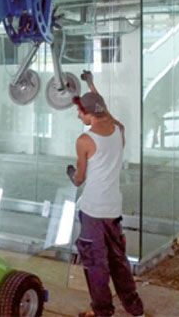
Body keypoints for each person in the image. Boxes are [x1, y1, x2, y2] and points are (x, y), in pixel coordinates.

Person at [66, 71, 145, 317]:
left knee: (95, 265)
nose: (79, 115)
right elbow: (103, 108)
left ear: (90, 113)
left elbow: (80, 178)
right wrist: (90, 84)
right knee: (118, 261)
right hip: (113, 209)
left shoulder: (84, 140)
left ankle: (102, 311)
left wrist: (71, 174)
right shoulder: (118, 129)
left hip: (92, 211)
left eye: (81, 112)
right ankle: (135, 309)